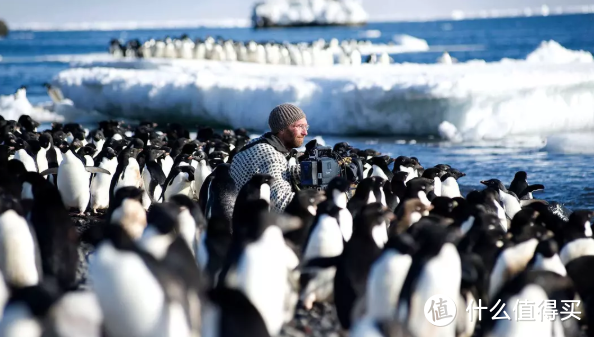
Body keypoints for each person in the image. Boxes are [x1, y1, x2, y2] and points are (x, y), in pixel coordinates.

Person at [230, 103, 308, 213]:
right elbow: (280, 203)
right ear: (282, 128)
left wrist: (304, 172)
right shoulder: (270, 156)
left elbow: (277, 174)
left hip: (241, 218)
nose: (305, 132)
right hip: (251, 226)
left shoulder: (258, 143)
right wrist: (317, 202)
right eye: (300, 126)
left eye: (306, 126)